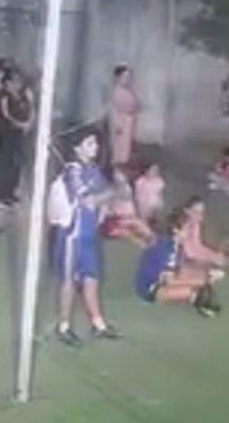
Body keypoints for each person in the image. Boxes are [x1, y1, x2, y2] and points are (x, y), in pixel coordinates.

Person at [52, 127, 122, 345]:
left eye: (95, 143)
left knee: (91, 278)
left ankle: (98, 324)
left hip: (90, 234)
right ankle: (63, 326)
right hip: (73, 236)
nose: (96, 147)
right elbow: (88, 199)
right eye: (90, 144)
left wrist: (108, 195)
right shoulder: (72, 171)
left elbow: (105, 197)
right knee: (69, 281)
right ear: (77, 148)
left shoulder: (93, 170)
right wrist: (110, 193)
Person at [135, 210, 222, 317]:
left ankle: (192, 294)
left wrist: (204, 275)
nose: (190, 232)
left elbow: (180, 268)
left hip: (163, 278)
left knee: (199, 279)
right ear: (176, 230)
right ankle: (193, 298)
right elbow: (170, 281)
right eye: (188, 229)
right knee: (193, 290)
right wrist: (203, 280)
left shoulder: (174, 244)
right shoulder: (166, 249)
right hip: (150, 288)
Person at [0, 68, 34, 208]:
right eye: (13, 81)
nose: (16, 84)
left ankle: (11, 193)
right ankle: (2, 195)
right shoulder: (4, 96)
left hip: (20, 134)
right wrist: (20, 124)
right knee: (6, 164)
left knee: (17, 164)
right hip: (7, 133)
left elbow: (31, 110)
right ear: (7, 83)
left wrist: (29, 121)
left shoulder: (24, 94)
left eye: (19, 81)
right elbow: (6, 115)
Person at [98, 167, 155, 248]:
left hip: (119, 209)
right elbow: (133, 222)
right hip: (121, 207)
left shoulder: (125, 230)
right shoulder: (133, 227)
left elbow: (129, 226)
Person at [178, 196, 229, 271]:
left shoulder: (196, 225)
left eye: (202, 212)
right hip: (185, 263)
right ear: (187, 211)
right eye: (196, 212)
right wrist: (211, 257)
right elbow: (190, 253)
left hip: (193, 261)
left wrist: (213, 254)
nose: (199, 215)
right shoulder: (185, 226)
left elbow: (198, 246)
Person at [109, 65, 139, 168]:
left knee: (126, 148)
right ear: (118, 77)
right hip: (121, 122)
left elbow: (135, 104)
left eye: (128, 77)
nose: (127, 79)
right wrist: (117, 124)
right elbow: (115, 110)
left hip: (128, 121)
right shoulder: (116, 91)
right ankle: (115, 168)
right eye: (124, 77)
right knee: (119, 148)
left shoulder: (128, 90)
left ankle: (122, 168)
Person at [134, 161, 166, 226]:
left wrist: (158, 204)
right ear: (146, 170)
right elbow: (137, 193)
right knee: (142, 218)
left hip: (153, 203)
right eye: (152, 170)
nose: (154, 172)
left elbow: (159, 194)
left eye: (156, 171)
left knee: (152, 219)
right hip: (142, 202)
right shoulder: (140, 181)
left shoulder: (159, 181)